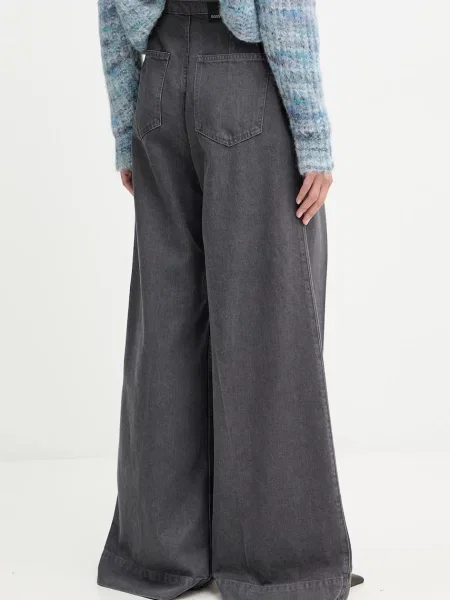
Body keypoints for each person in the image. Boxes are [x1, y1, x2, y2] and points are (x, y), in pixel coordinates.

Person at [96, 2, 363, 600]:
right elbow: (284, 8)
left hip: (158, 85)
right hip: (241, 83)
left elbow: (112, 9)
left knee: (166, 326)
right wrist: (312, 132)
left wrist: (126, 124)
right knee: (269, 322)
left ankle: (162, 557)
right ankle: (278, 566)